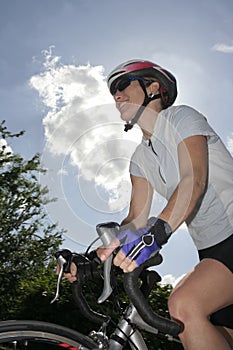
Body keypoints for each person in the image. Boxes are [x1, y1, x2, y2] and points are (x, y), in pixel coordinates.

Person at [63, 59, 233, 349]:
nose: (116, 96)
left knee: (184, 304)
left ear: (153, 87)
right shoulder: (140, 160)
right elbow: (135, 221)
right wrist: (95, 259)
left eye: (122, 86)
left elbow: (195, 178)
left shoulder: (181, 118)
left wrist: (159, 231)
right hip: (211, 253)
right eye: (113, 93)